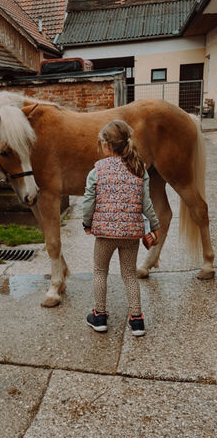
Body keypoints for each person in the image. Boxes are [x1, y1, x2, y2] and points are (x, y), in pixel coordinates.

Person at [82, 119, 160, 337]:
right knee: (129, 275)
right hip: (130, 235)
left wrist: (87, 223)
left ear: (106, 145)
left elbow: (88, 202)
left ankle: (99, 316)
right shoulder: (138, 169)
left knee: (100, 271)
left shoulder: (97, 170)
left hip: (105, 235)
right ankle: (137, 320)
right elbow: (147, 204)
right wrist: (155, 226)